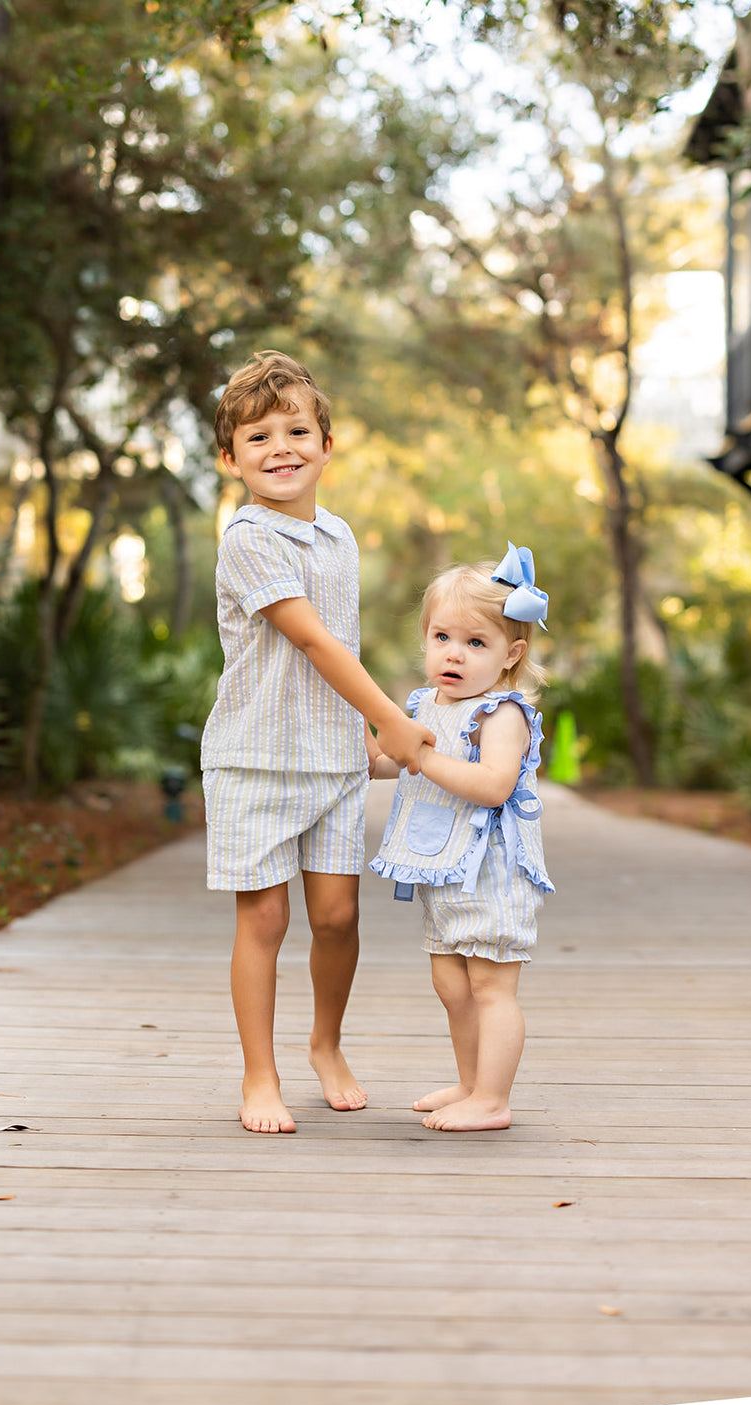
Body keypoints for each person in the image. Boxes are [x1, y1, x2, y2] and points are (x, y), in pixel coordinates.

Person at [201, 350, 435, 1135]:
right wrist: (392, 722)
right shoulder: (248, 539)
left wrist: (359, 741)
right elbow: (314, 644)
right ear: (230, 459)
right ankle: (258, 1075)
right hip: (254, 761)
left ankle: (325, 1046)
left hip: (330, 764)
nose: (282, 448)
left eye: (297, 430)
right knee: (263, 921)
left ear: (327, 446)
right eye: (259, 437)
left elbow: (345, 639)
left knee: (337, 917)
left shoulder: (338, 537)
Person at [369, 544, 555, 1131]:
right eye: (442, 637)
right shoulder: (424, 703)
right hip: (444, 870)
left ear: (510, 655)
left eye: (476, 643)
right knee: (451, 983)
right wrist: (363, 750)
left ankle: (493, 1099)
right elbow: (387, 760)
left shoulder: (503, 714)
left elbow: (494, 785)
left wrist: (418, 756)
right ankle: (471, 1082)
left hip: (493, 873)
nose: (455, 654)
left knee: (490, 985)